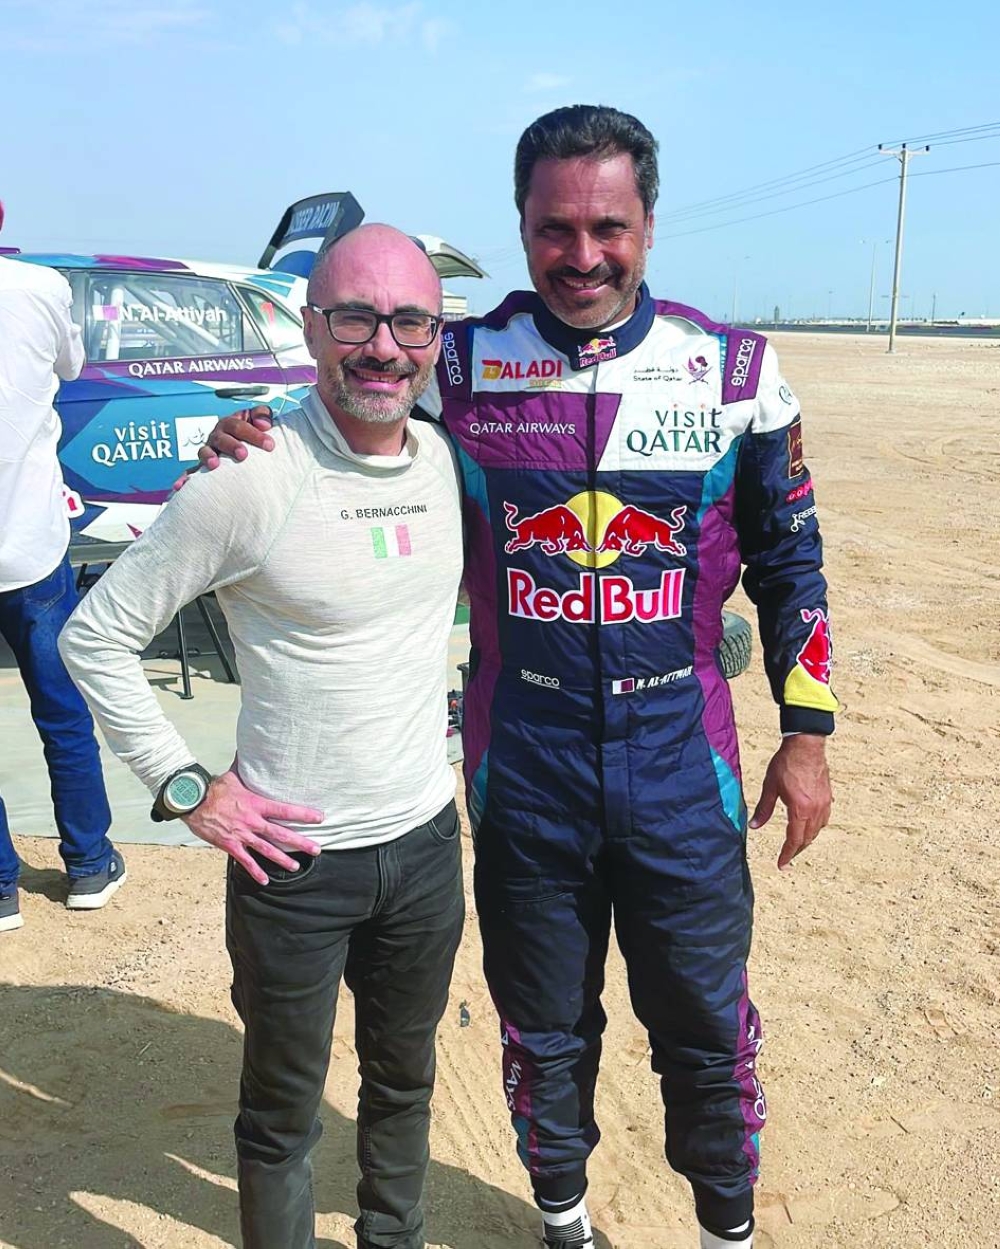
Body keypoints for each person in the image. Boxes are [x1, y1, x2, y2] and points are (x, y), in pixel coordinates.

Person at [202, 105, 838, 1249]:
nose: (581, 255)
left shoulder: (735, 371)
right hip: (523, 764)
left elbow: (792, 559)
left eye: (608, 227)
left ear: (649, 223)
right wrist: (247, 431)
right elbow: (350, 398)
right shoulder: (460, 361)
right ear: (523, 227)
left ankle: (725, 1229)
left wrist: (806, 732)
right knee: (542, 1025)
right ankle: (562, 1218)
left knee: (703, 1023)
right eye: (555, 229)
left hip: (680, 763)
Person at [58, 225, 467, 1249]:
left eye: (408, 320)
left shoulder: (445, 456)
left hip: (423, 844)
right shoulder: (251, 472)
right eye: (354, 318)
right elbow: (95, 634)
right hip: (293, 861)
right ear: (310, 325)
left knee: (403, 1082)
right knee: (282, 1114)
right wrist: (188, 788)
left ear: (435, 333)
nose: (382, 345)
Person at [0, 199, 126, 930]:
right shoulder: (40, 287)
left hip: (31, 543)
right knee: (63, 711)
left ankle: (2, 889)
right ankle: (87, 864)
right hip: (33, 544)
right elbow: (70, 365)